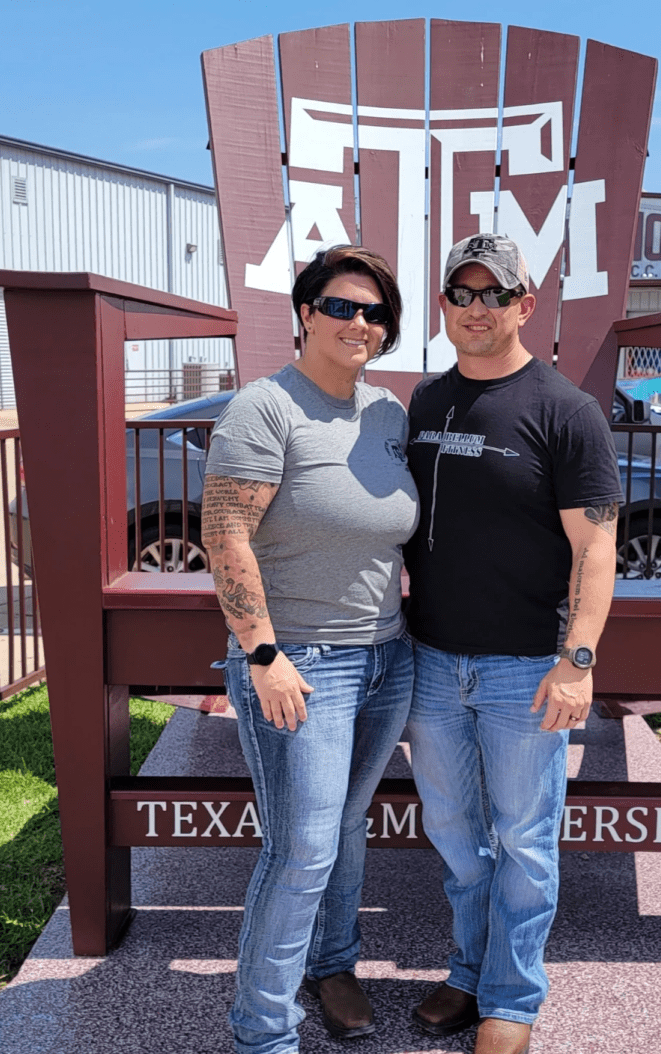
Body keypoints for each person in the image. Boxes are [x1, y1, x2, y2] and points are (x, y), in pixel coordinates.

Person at [403, 234, 622, 1054]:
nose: (476, 309)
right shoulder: (425, 402)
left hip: (525, 667)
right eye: (460, 294)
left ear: (524, 306)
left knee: (525, 841)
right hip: (429, 661)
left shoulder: (564, 410)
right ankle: (468, 973)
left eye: (493, 294)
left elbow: (595, 548)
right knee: (456, 834)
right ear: (445, 308)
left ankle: (512, 1000)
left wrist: (577, 659)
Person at [201, 245, 419, 1054]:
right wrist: (261, 655)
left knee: (348, 827)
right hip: (298, 663)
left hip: (385, 657)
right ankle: (262, 1032)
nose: (358, 322)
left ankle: (332, 966)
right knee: (298, 851)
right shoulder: (265, 408)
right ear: (304, 313)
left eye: (373, 312)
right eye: (339, 306)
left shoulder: (387, 413)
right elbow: (224, 531)